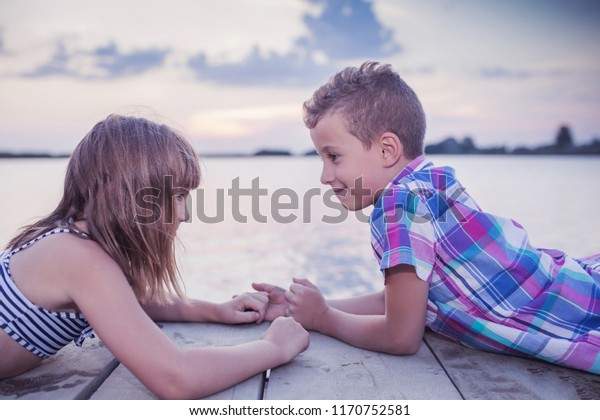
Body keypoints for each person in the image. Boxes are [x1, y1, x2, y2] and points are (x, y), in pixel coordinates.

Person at [253, 62, 600, 374]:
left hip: (575, 311)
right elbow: (405, 300)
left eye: (334, 157)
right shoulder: (430, 183)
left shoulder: (397, 206)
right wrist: (304, 308)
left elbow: (401, 336)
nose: (325, 176)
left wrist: (324, 319)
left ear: (387, 150)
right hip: (571, 288)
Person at [0, 114, 309, 398]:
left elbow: (131, 301)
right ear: (131, 195)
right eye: (177, 196)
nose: (185, 214)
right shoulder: (77, 257)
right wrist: (273, 347)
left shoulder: (71, 241)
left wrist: (216, 311)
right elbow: (176, 378)